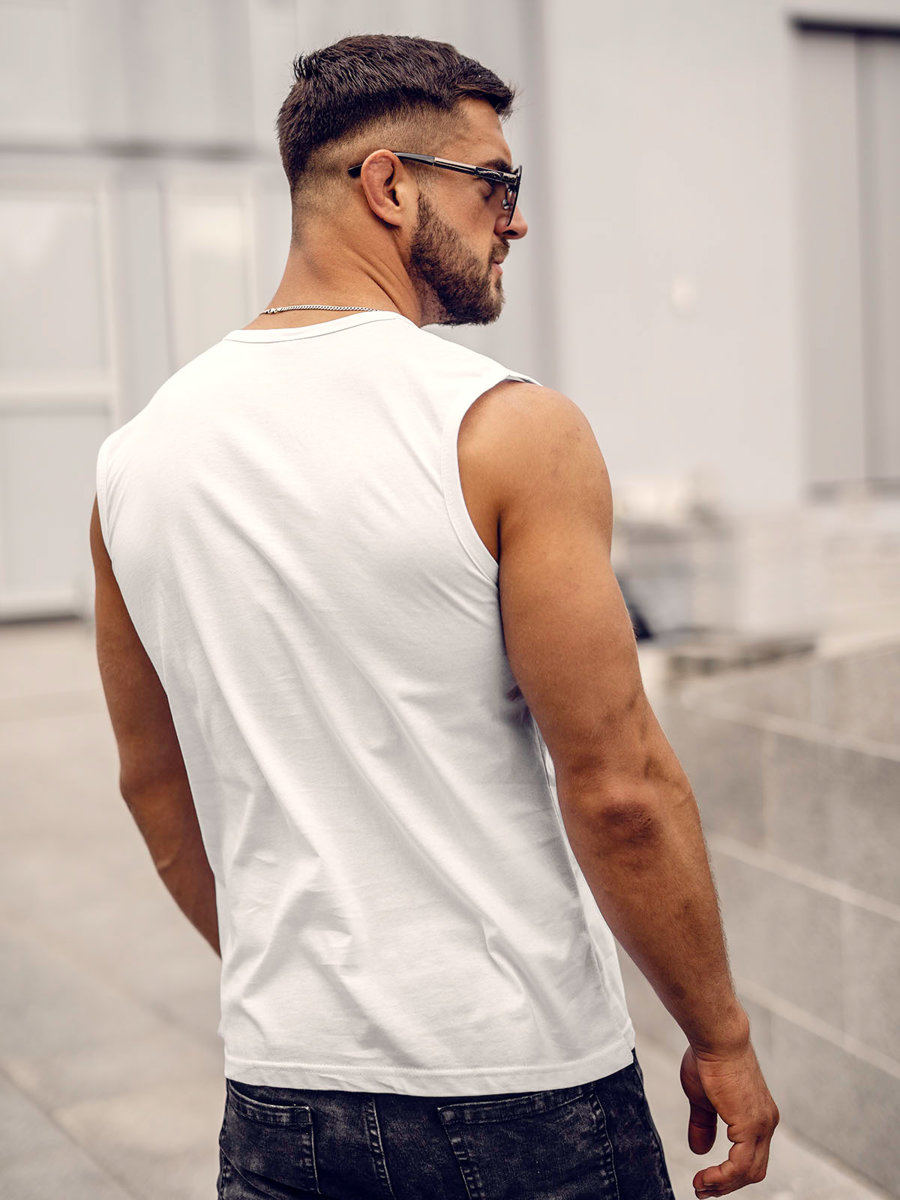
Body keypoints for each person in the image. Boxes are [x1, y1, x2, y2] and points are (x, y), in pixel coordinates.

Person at [90, 33, 778, 1200]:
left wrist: (305, 998)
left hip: (280, 1099)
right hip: (522, 1087)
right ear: (389, 185)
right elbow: (618, 787)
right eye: (496, 183)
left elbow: (155, 791)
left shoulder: (134, 460)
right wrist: (721, 1034)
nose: (518, 220)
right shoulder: (509, 429)